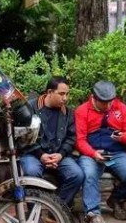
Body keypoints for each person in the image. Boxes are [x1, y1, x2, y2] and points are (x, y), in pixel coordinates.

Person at [75, 80, 126, 223]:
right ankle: (93, 214)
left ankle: (116, 200)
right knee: (89, 174)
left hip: (117, 152)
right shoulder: (82, 111)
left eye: (110, 102)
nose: (107, 106)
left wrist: (122, 137)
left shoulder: (122, 109)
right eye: (103, 102)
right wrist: (93, 153)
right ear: (94, 98)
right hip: (92, 151)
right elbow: (80, 140)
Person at [21, 76, 84, 206]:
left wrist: (60, 155)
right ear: (49, 92)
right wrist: (41, 155)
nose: (65, 98)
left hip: (58, 155)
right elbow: (23, 137)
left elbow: (71, 138)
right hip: (34, 154)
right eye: (61, 94)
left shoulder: (68, 113)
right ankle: (34, 213)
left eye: (67, 94)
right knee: (31, 172)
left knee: (77, 175)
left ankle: (57, 209)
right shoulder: (30, 108)